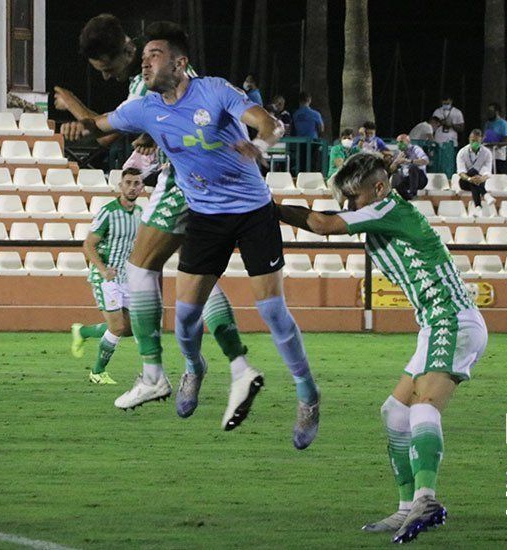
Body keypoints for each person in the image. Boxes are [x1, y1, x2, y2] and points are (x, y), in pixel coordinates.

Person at [61, 25, 321, 448]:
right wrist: (78, 127)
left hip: (253, 212)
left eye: (156, 54)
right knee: (183, 319)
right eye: (143, 55)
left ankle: (308, 395)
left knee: (273, 312)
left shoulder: (214, 91)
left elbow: (267, 123)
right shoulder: (144, 107)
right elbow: (99, 126)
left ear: (180, 63)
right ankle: (195, 368)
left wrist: (260, 143)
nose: (146, 61)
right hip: (205, 219)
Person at [277, 153, 488, 543]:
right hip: (436, 323)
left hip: (451, 319)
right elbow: (333, 213)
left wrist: (268, 208)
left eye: (354, 198)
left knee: (423, 405)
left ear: (376, 190)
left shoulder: (387, 206)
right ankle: (407, 507)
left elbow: (323, 224)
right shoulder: (381, 208)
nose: (349, 207)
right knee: (394, 411)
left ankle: (426, 500)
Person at [58, 18, 255, 419]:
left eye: (108, 66)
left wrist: (72, 104)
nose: (109, 75)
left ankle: (153, 375)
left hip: (188, 179)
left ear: (128, 50)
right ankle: (235, 366)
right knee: (196, 282)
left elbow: (105, 133)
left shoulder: (148, 80)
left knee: (139, 269)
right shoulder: (170, 67)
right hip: (217, 182)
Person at [71, 167, 146, 384]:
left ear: (141, 187)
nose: (132, 187)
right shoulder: (108, 212)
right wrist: (103, 270)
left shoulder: (140, 213)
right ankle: (97, 372)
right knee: (117, 327)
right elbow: (88, 244)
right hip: (106, 278)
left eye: (136, 183)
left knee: (129, 329)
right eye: (128, 182)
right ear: (120, 185)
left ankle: (83, 332)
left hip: (125, 277)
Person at [455, 129, 496, 216]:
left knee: (476, 176)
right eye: (472, 140)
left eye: (477, 141)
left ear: (481, 140)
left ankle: (478, 207)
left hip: (480, 181)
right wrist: (470, 179)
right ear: (469, 139)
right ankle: (485, 195)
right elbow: (461, 172)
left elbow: (487, 171)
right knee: (473, 172)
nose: (474, 143)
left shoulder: (487, 153)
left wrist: (481, 179)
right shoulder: (462, 152)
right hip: (465, 181)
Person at [389, 134, 429, 200]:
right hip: (407, 179)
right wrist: (396, 162)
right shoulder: (397, 153)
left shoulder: (415, 149)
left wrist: (409, 161)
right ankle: (409, 199)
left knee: (413, 167)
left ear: (408, 141)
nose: (399, 144)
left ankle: (413, 194)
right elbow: (391, 169)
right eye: (397, 142)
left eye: (401, 142)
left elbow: (426, 161)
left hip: (420, 179)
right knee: (398, 184)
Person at [483, 102, 507, 175]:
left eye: (491, 111)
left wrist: (496, 146)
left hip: (498, 155)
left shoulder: (503, 124)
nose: (489, 113)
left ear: (496, 112)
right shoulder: (487, 123)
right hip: (488, 153)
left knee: (498, 174)